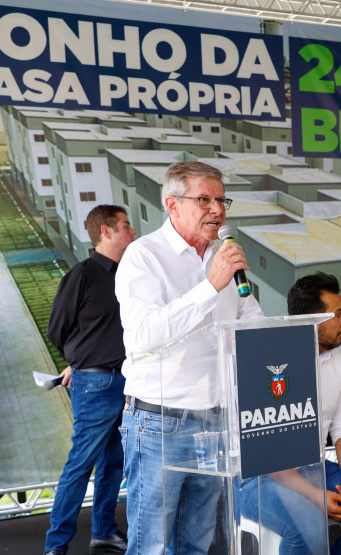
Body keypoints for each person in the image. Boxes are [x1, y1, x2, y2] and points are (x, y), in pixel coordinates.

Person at [115, 161, 264, 555]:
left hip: (215, 420)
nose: (217, 210)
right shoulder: (144, 256)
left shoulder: (224, 257)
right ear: (173, 204)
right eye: (204, 200)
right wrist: (210, 286)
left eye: (221, 200)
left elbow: (252, 321)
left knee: (197, 542)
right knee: (151, 546)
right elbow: (144, 336)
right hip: (160, 423)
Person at [239, 272, 341, 554]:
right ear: (311, 319)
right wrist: (316, 496)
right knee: (309, 527)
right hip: (260, 476)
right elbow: (266, 452)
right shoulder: (269, 361)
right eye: (337, 314)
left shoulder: (338, 361)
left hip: (315, 466)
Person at [43, 206, 136, 555]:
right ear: (106, 232)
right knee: (81, 464)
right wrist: (80, 359)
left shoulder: (129, 273)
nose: (133, 231)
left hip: (127, 383)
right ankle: (56, 546)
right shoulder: (81, 275)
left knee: (113, 463)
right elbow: (58, 329)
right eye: (126, 225)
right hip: (95, 384)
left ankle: (104, 531)